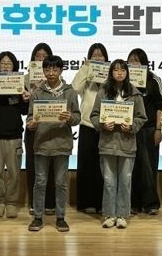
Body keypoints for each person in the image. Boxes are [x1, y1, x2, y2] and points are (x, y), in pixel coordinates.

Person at [90, 59, 147, 229]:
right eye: (116, 70)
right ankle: (109, 214)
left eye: (123, 70)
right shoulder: (103, 92)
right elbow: (94, 115)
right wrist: (102, 125)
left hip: (127, 144)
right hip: (107, 143)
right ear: (111, 73)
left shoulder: (135, 93)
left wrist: (132, 126)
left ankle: (122, 215)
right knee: (108, 181)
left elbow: (141, 117)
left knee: (125, 181)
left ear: (127, 73)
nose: (119, 73)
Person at [26, 55, 81, 232]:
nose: (51, 73)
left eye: (55, 69)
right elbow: (29, 118)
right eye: (47, 69)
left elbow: (77, 117)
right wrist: (31, 124)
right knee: (40, 182)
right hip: (42, 144)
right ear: (43, 71)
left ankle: (60, 217)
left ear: (61, 70)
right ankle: (37, 217)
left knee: (61, 183)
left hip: (62, 144)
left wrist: (70, 117)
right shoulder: (37, 93)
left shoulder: (70, 92)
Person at [0, 51, 30, 219]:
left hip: (14, 136)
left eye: (9, 64)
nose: (5, 66)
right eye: (2, 63)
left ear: (14, 66)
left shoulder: (20, 86)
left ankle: (11, 203)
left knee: (14, 173)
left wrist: (26, 100)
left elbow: (25, 111)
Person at [71, 42, 108, 214]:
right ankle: (86, 202)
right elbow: (74, 89)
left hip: (106, 126)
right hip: (87, 124)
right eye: (94, 55)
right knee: (86, 164)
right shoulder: (86, 74)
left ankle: (102, 203)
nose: (98, 58)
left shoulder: (111, 73)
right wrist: (86, 68)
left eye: (101, 55)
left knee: (103, 167)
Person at [127, 48, 162, 215]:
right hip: (130, 130)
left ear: (144, 63)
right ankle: (134, 203)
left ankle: (151, 204)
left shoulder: (153, 80)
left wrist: (158, 129)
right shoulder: (124, 81)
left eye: (137, 60)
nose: (133, 63)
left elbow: (159, 106)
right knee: (132, 168)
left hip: (149, 129)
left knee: (149, 168)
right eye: (131, 60)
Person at [23, 43, 57, 216]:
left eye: (45, 56)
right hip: (33, 127)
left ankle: (50, 202)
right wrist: (29, 95)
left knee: (51, 166)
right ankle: (34, 203)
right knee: (32, 167)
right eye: (38, 55)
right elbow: (23, 109)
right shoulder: (25, 79)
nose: (41, 58)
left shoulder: (55, 80)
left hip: (52, 128)